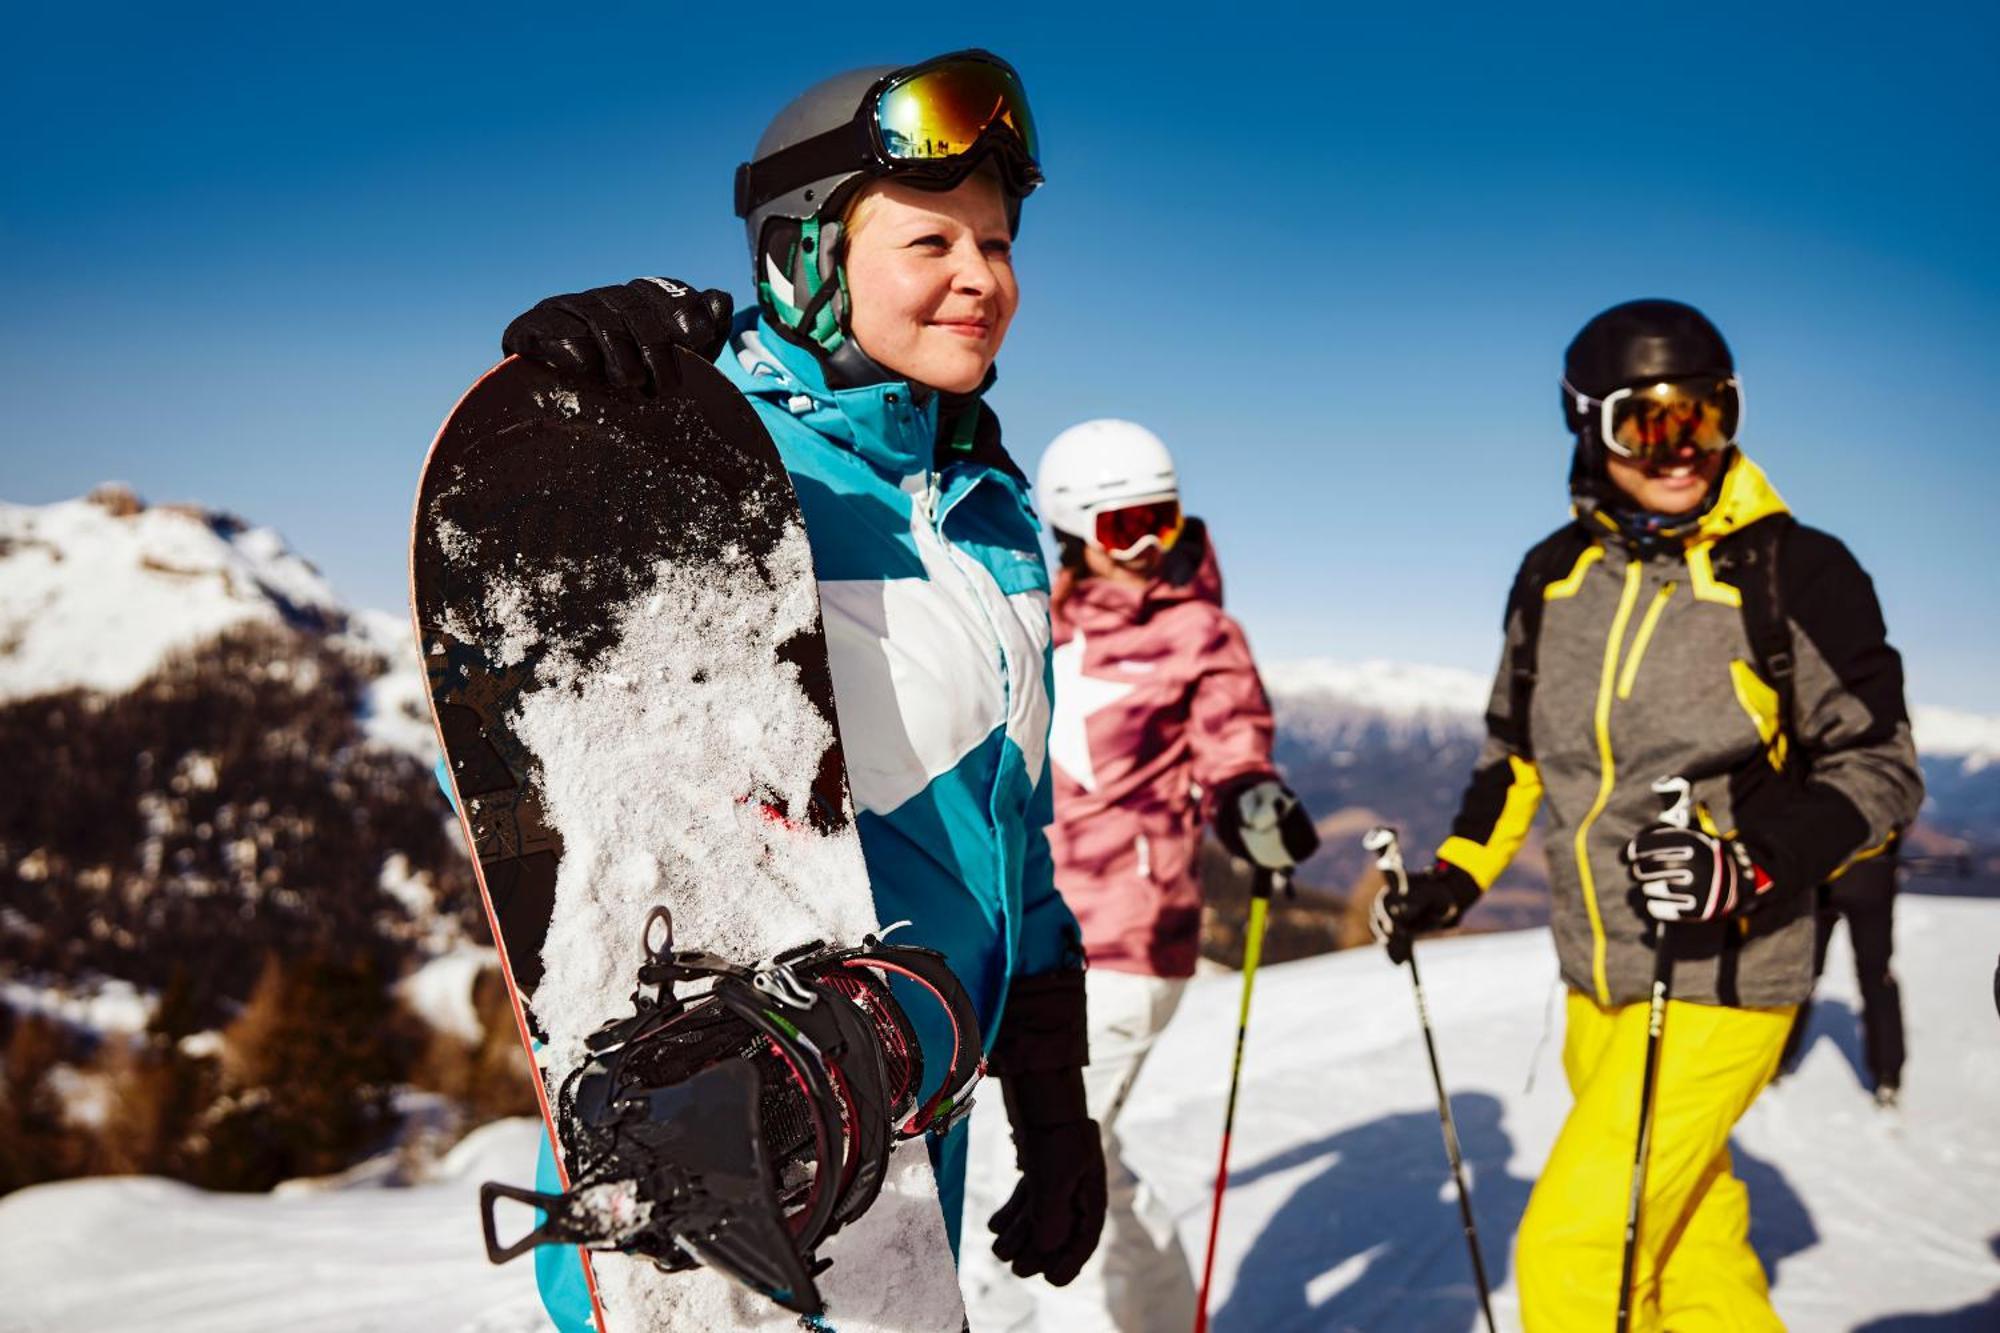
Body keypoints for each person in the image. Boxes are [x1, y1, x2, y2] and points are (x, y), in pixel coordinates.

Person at [490, 51, 1104, 1329]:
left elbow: (1012, 843)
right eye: (929, 239)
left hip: (898, 1122)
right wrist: (600, 431)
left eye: (995, 242)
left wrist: (1052, 1104)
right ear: (800, 256)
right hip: (726, 1140)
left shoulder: (991, 513)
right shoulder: (726, 460)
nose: (980, 279)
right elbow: (562, 786)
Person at [1375, 299, 1922, 1330]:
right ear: (1587, 424)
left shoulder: (1793, 571)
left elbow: (1879, 767)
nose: (1682, 452)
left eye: (1705, 417)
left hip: (1726, 973)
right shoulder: (1550, 576)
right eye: (1647, 423)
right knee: (1686, 1241)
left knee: (1575, 1244)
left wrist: (1747, 863)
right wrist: (1448, 880)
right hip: (1595, 977)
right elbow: (1516, 760)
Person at [963, 419, 1319, 1332]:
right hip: (1029, 935)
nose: (1153, 546)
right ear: (1077, 530)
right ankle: (1161, 1316)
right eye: (1126, 528)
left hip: (1130, 935)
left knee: (1046, 1165)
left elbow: (1233, 740)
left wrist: (1250, 802)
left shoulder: (1200, 629)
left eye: (1164, 517)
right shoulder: (1031, 612)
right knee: (1088, 1155)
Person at [1778, 842, 1906, 1104]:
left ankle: (1778, 1056)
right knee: (1876, 976)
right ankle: (1887, 1074)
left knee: (1801, 972)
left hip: (1821, 874)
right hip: (1872, 874)